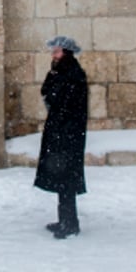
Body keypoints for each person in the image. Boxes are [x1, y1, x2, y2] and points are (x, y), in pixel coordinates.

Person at [33, 35, 89, 239]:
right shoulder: (62, 72)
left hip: (68, 135)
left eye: (57, 52)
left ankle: (70, 223)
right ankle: (65, 220)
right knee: (62, 179)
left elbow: (62, 101)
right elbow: (49, 92)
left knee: (66, 179)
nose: (53, 55)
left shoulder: (73, 74)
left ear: (66, 53)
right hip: (61, 133)